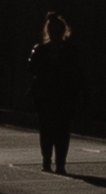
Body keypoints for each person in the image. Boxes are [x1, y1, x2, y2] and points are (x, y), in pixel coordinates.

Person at [22, 10, 83, 175]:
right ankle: (57, 163)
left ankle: (48, 161)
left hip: (48, 94)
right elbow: (76, 73)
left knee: (48, 129)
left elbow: (31, 69)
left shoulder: (42, 49)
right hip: (60, 94)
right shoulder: (68, 50)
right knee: (60, 130)